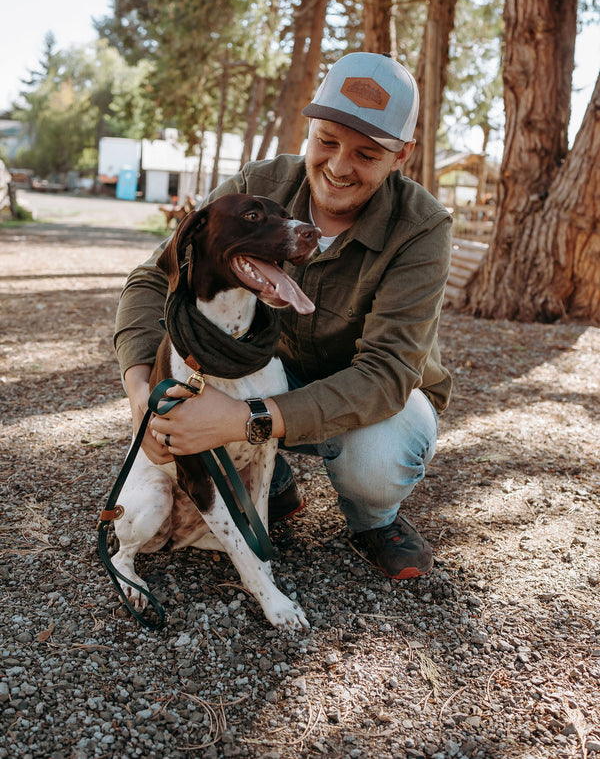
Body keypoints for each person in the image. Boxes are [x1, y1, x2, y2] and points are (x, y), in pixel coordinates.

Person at [114, 52, 452, 580]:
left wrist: (242, 419)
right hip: (269, 376)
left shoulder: (423, 227)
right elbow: (157, 275)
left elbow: (386, 374)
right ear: (309, 128)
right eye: (328, 141)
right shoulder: (260, 183)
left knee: (378, 458)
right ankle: (272, 482)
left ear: (401, 155)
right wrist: (140, 392)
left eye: (368, 153)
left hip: (376, 396)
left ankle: (373, 521)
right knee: (211, 393)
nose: (340, 166)